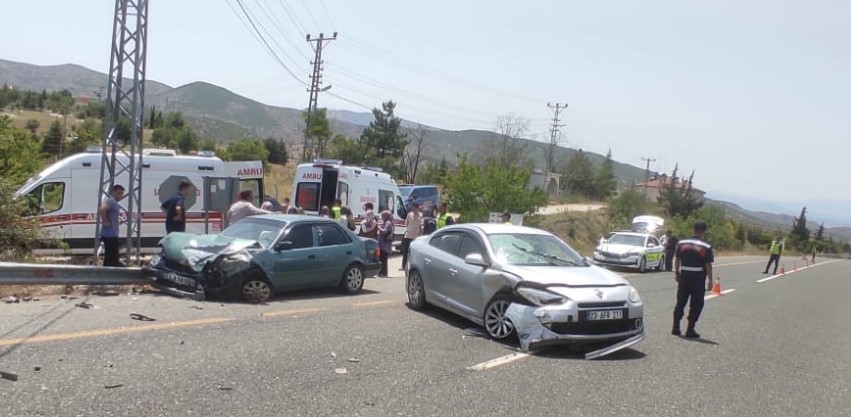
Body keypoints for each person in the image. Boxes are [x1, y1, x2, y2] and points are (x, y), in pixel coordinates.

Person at [672, 220, 714, 338]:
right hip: (697, 277)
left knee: (680, 302)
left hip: (684, 275)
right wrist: (710, 280)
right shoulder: (705, 246)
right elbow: (708, 264)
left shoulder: (682, 243)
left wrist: (677, 272)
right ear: (704, 231)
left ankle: (675, 327)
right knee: (697, 304)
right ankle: (690, 329)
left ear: (694, 229)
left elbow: (677, 259)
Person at [99, 184, 126, 267]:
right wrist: (106, 221)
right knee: (113, 257)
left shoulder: (114, 202)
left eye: (121, 194)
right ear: (113, 192)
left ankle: (107, 273)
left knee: (109, 256)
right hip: (110, 234)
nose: (120, 196)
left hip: (110, 233)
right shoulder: (112, 201)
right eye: (118, 193)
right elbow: (102, 209)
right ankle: (111, 274)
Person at [401, 203, 422, 270]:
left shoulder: (421, 216)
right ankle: (404, 265)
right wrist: (408, 229)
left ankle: (412, 266)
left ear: (417, 208)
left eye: (414, 208)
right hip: (408, 235)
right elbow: (406, 223)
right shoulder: (410, 214)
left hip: (415, 236)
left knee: (413, 252)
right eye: (412, 208)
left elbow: (421, 226)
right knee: (405, 251)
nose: (413, 209)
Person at [377, 210, 394, 277]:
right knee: (382, 258)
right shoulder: (386, 222)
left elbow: (385, 231)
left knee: (383, 258)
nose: (382, 217)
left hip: (385, 243)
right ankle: (381, 272)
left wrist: (379, 227)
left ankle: (384, 273)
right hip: (382, 243)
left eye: (383, 216)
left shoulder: (388, 223)